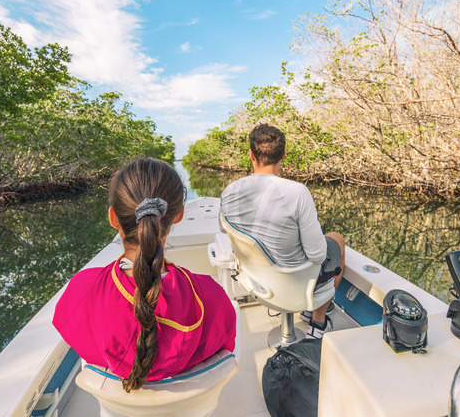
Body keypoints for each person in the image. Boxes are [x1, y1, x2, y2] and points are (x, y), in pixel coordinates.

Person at [53, 157, 236, 392]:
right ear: (178, 215)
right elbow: (225, 348)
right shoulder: (211, 296)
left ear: (113, 218)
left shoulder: (83, 290)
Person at [220, 123, 345, 339]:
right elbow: (317, 255)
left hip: (257, 282)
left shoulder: (229, 192)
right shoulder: (297, 192)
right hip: (295, 284)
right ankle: (317, 321)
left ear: (251, 155)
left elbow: (225, 236)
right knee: (337, 240)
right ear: (284, 154)